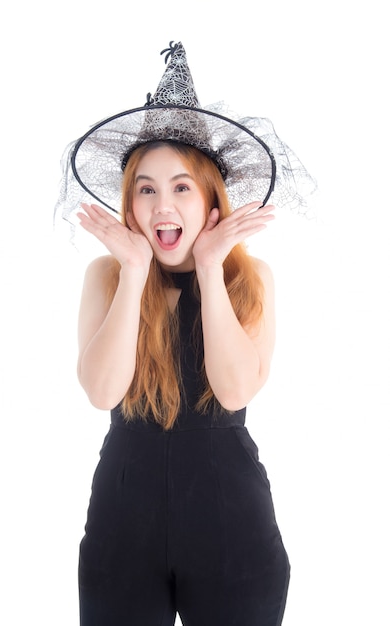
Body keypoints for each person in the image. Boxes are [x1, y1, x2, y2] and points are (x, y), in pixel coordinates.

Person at [55, 41, 315, 626]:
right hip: (123, 528)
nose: (162, 204)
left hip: (232, 530)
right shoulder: (107, 275)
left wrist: (208, 268)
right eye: (145, 188)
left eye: (181, 187)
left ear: (209, 199)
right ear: (129, 201)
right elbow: (101, 392)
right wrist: (134, 273)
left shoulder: (252, 279)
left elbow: (233, 391)